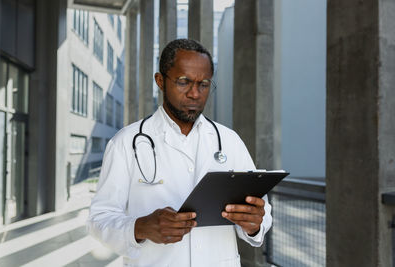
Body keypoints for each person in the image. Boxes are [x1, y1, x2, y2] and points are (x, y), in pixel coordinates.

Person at [87, 39, 272, 267]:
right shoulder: (126, 142)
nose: (195, 93)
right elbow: (99, 219)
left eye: (204, 84)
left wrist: (254, 224)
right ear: (160, 81)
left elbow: (261, 209)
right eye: (184, 82)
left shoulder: (229, 141)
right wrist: (140, 227)